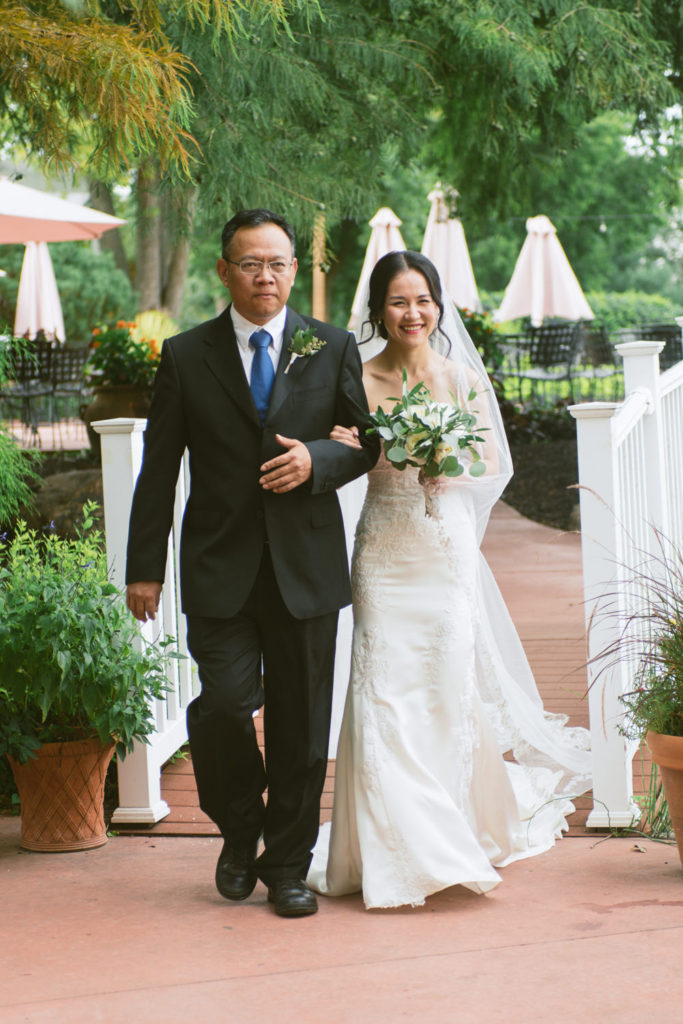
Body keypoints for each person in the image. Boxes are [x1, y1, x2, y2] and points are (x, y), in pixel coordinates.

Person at [307, 251, 592, 909]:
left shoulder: (461, 378)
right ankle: (394, 845)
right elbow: (345, 449)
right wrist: (340, 442)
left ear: (438, 306)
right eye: (399, 301)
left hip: (444, 549)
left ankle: (450, 831)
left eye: (423, 300)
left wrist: (449, 472)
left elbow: (490, 466)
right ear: (378, 309)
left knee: (442, 683)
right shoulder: (357, 378)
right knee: (383, 689)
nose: (413, 313)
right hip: (383, 549)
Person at [125, 208, 379, 918]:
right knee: (225, 706)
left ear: (295, 269)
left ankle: (287, 867)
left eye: (278, 263)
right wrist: (142, 566)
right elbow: (158, 467)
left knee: (301, 724)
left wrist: (317, 458)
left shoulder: (328, 346)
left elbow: (365, 439)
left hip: (305, 565)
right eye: (250, 263)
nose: (265, 276)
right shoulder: (185, 353)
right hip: (217, 563)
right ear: (224, 270)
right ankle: (239, 829)